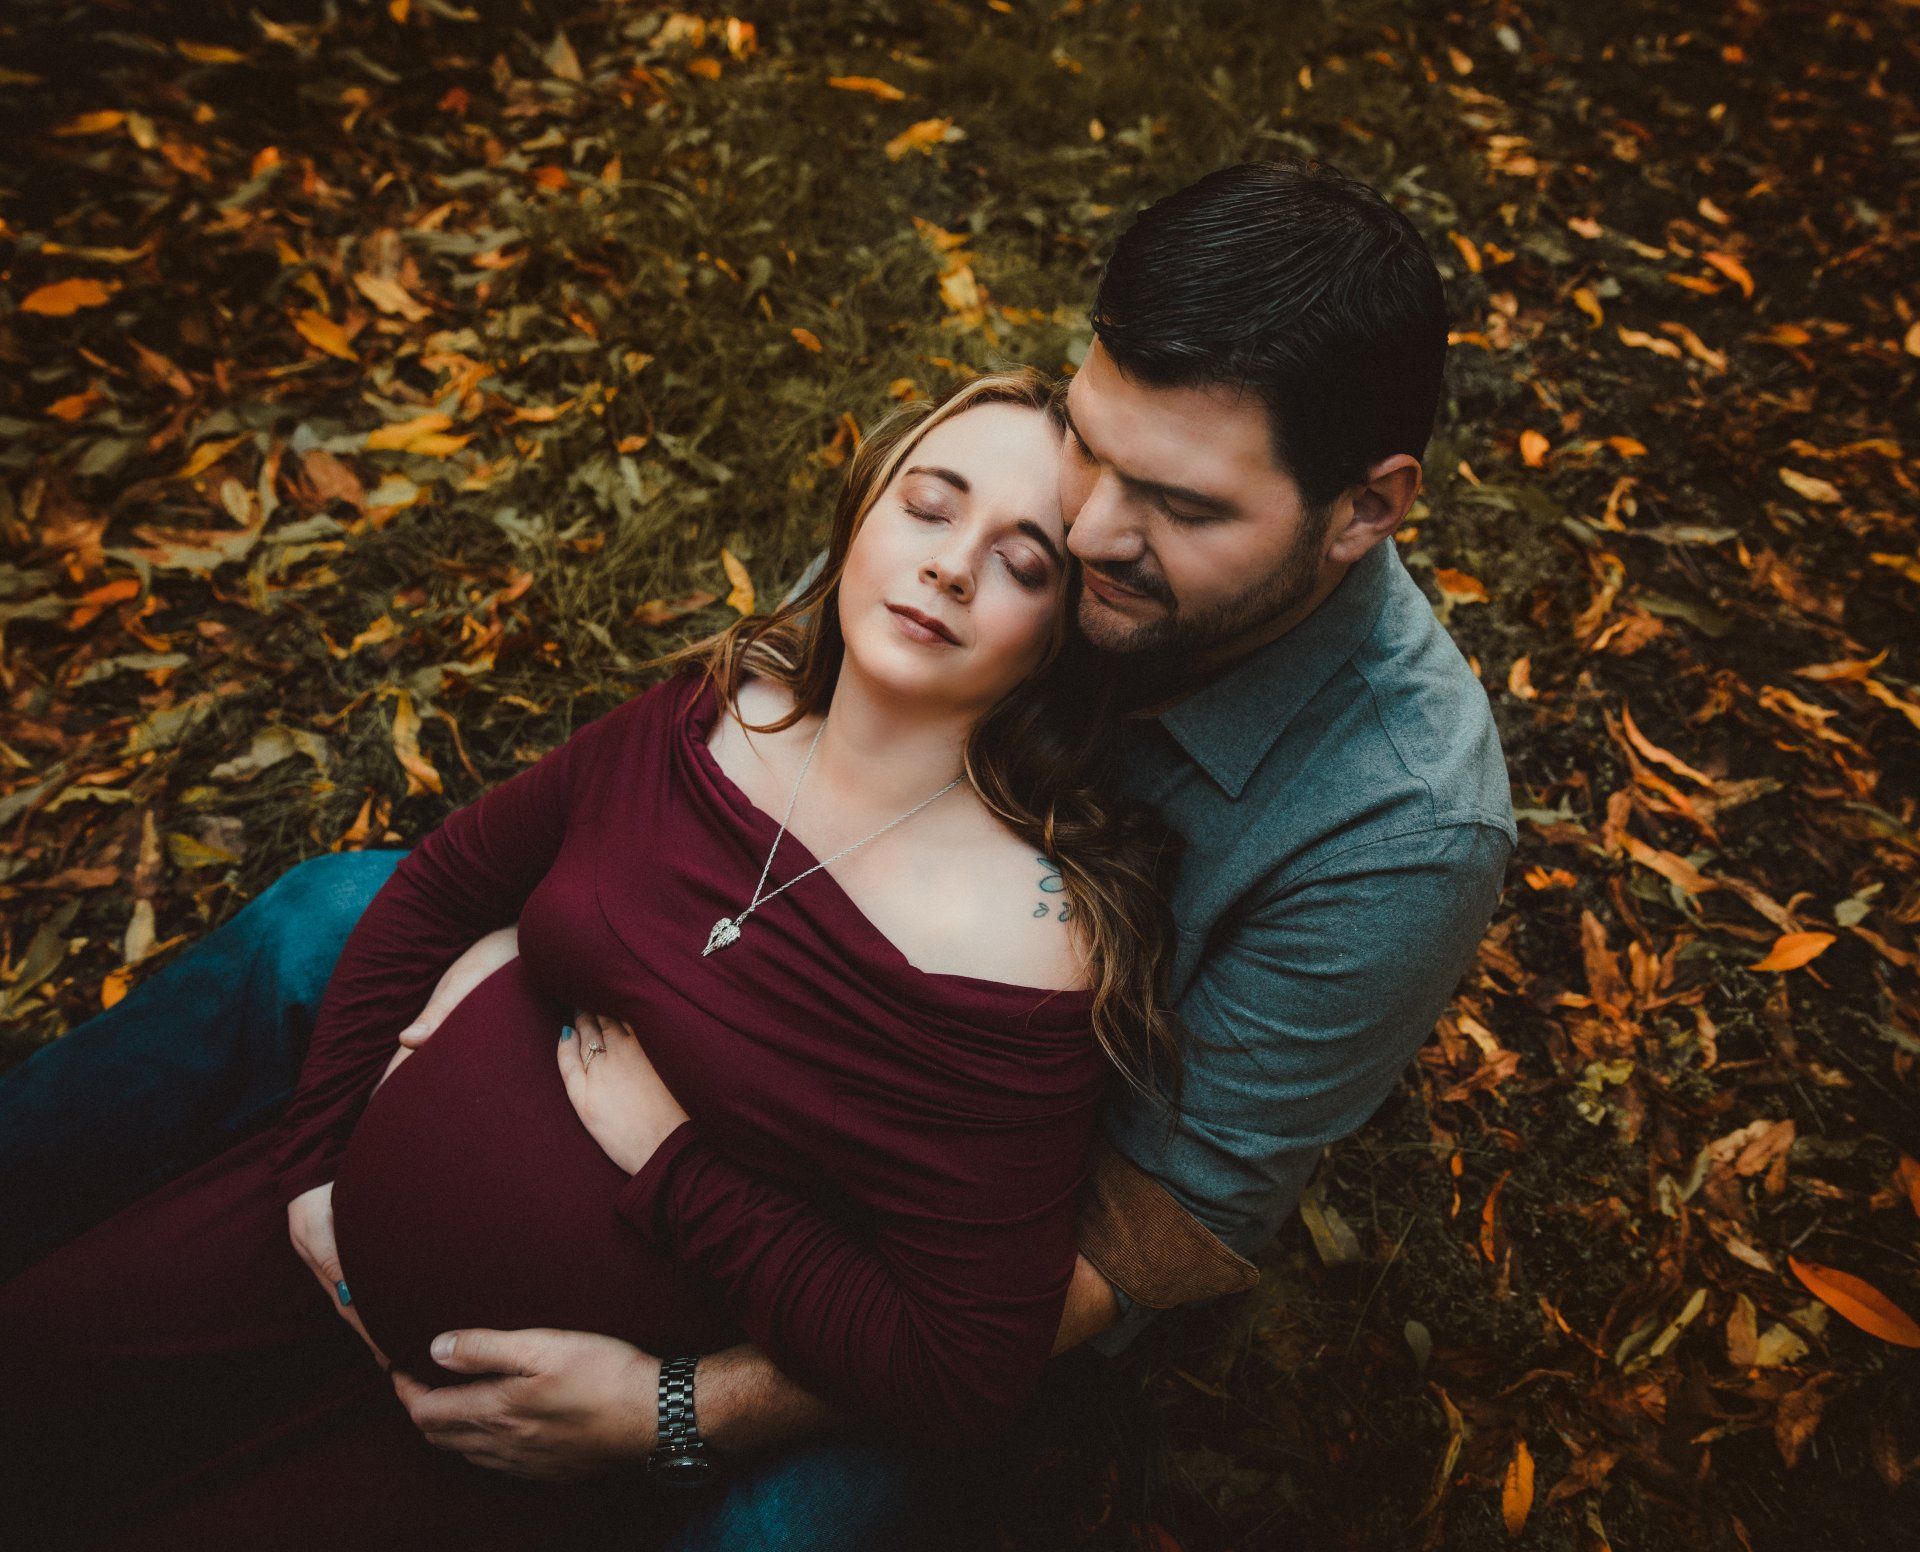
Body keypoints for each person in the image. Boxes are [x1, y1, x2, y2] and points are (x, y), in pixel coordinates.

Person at [0, 157, 1517, 1548]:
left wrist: (675, 1405)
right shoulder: (1007, 499)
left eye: (1178, 507)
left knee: (789, 1531)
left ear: (1365, 511)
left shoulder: (1400, 826)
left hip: (875, 1266)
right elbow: (734, 741)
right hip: (659, 1014)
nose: (1091, 524)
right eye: (1094, 447)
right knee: (320, 921)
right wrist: (515, 958)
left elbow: (1132, 1240)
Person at [0, 369, 1188, 1549]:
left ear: (1057, 642)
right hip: (302, 1243)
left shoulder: (1027, 951)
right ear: (866, 510)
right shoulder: (717, 712)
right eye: (929, 505)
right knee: (40, 1353)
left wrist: (677, 1172)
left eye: (1024, 562)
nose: (949, 563)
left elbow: (961, 1363)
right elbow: (442, 886)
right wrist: (315, 1169)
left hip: (503, 1441)